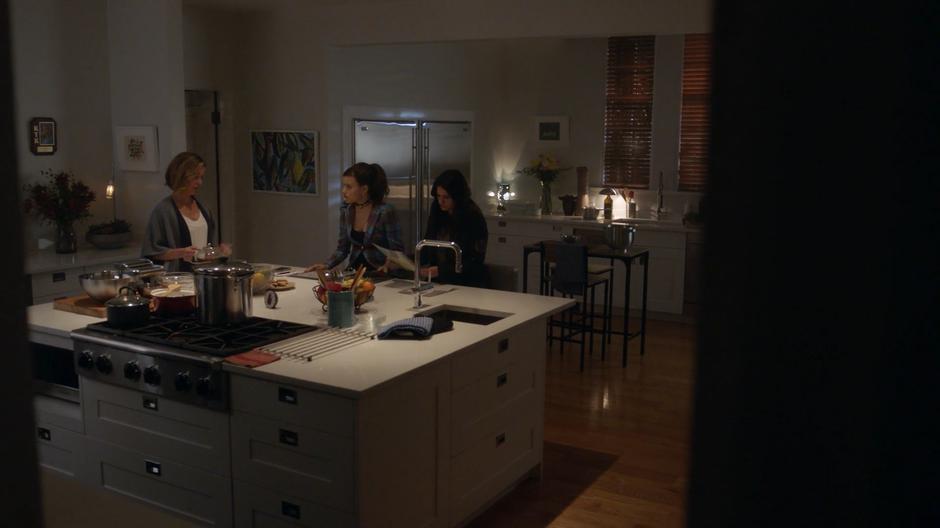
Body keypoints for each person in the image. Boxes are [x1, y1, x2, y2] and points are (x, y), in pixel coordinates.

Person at [142, 152, 230, 272]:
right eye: (195, 177)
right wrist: (179, 253)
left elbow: (205, 249)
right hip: (177, 280)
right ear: (181, 177)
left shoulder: (204, 208)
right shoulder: (163, 211)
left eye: (201, 177)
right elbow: (151, 252)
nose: (200, 182)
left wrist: (219, 251)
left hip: (204, 275)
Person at [307, 162, 403, 273]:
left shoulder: (385, 211)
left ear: (364, 189)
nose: (344, 191)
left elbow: (396, 251)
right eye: (344, 186)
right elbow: (342, 248)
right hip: (354, 272)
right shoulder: (346, 210)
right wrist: (326, 265)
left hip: (380, 273)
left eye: (349, 187)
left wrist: (388, 265)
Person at [419, 169, 489, 287]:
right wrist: (406, 261)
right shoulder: (437, 209)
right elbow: (428, 243)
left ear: (457, 197)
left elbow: (475, 261)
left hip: (467, 283)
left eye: (446, 197)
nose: (441, 201)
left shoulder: (472, 216)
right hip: (439, 282)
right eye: (438, 196)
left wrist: (442, 270)